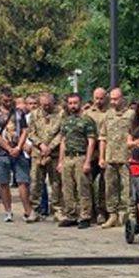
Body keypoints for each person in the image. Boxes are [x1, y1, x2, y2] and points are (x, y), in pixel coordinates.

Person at [0, 91, 36, 223]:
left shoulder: (19, 113)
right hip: (2, 152)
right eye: (5, 100)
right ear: (1, 99)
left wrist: (18, 147)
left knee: (23, 181)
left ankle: (27, 210)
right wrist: (9, 148)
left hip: (18, 151)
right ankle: (8, 211)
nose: (8, 102)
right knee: (4, 183)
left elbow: (24, 130)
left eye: (10, 100)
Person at [57, 93, 98, 229]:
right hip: (68, 157)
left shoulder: (87, 120)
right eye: (70, 103)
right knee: (67, 189)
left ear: (80, 103)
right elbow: (63, 142)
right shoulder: (66, 121)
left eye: (75, 103)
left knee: (83, 188)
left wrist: (87, 161)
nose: (73, 106)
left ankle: (85, 216)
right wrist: (60, 161)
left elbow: (91, 142)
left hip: (81, 156)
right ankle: (71, 215)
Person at [99, 88, 134, 228]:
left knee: (128, 189)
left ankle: (129, 215)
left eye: (116, 99)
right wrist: (102, 157)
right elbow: (103, 137)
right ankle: (112, 215)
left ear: (122, 98)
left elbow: (135, 134)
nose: (113, 102)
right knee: (110, 188)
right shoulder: (108, 115)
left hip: (126, 157)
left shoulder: (131, 114)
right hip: (110, 157)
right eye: (111, 99)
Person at [29, 93, 63, 220]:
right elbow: (31, 133)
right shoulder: (34, 114)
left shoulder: (60, 113)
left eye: (48, 104)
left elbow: (62, 133)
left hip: (54, 154)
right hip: (38, 154)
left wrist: (51, 146)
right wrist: (41, 145)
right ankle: (35, 209)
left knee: (56, 183)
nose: (46, 107)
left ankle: (57, 209)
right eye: (43, 105)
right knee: (35, 182)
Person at [86, 87, 110, 223]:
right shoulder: (88, 113)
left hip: (107, 152)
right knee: (87, 182)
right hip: (91, 151)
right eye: (97, 98)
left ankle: (102, 211)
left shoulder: (110, 113)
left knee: (104, 183)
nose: (99, 101)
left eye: (101, 98)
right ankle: (90, 211)